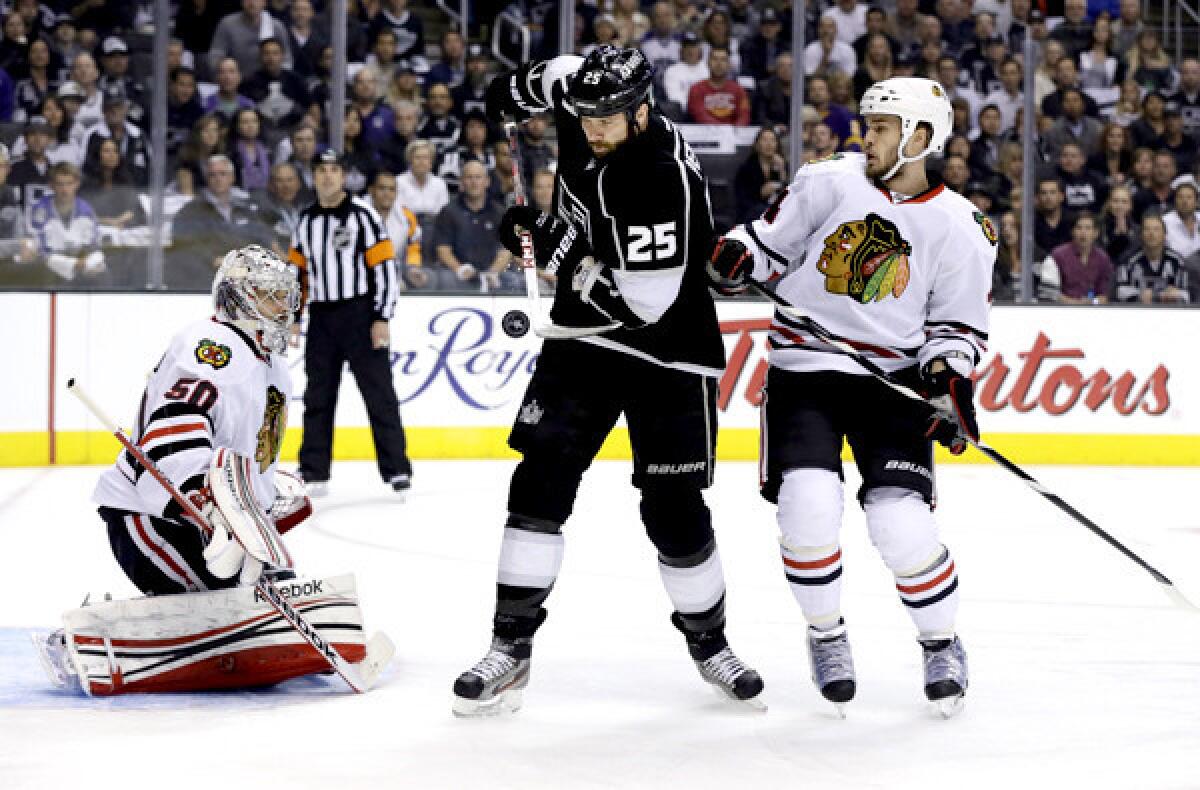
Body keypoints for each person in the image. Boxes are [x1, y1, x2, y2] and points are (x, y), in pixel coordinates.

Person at [452, 45, 764, 717]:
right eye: (586, 116)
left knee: (672, 510)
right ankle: (510, 647)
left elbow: (641, 306)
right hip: (583, 345)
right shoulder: (580, 95)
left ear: (642, 111)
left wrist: (551, 243)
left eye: (609, 119)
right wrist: (510, 96)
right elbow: (552, 75)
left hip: (667, 352)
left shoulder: (661, 176)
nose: (593, 128)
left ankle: (711, 643)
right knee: (539, 482)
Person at [709, 76, 992, 716]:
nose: (868, 136)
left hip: (891, 387)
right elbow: (765, 243)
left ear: (921, 137)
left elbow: (957, 328)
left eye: (883, 127)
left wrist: (948, 383)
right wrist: (735, 258)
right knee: (809, 508)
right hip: (804, 372)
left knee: (902, 525)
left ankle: (941, 641)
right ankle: (827, 633)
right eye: (868, 124)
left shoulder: (962, 227)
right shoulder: (828, 180)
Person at [34, 245, 369, 696]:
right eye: (270, 295)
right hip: (152, 519)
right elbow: (175, 424)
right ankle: (90, 638)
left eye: (286, 295)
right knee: (228, 599)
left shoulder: (270, 364)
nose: (285, 307)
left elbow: (247, 452)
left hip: (209, 524)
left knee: (272, 593)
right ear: (239, 297)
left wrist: (264, 502)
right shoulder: (214, 347)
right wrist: (209, 502)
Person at [288, 149, 413, 496]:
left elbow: (386, 267)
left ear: (344, 176)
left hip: (360, 316)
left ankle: (397, 471)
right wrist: (295, 317)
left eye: (334, 170)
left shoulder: (364, 215)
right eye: (321, 170)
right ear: (313, 176)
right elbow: (296, 272)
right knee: (317, 397)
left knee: (379, 395)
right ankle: (314, 471)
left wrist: (381, 316)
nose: (327, 177)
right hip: (322, 318)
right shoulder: (306, 220)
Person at [432, 159, 514, 292]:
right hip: (457, 273)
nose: (474, 182)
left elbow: (505, 250)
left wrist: (493, 272)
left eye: (478, 177)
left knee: (516, 282)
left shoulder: (500, 212)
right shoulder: (448, 211)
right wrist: (459, 269)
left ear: (487, 181)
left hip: (492, 273)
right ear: (462, 182)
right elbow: (443, 250)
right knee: (444, 280)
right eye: (469, 177)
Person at [28, 161, 105, 283]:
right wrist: (73, 264)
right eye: (60, 184)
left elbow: (95, 246)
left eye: (69, 184)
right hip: (48, 270)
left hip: (82, 269)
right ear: (51, 185)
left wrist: (87, 263)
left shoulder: (86, 210)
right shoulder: (40, 210)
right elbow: (38, 251)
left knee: (101, 273)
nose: (65, 189)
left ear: (77, 184)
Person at [367, 169, 430, 290]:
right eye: (382, 188)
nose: (387, 193)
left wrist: (413, 267)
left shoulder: (406, 216)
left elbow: (413, 247)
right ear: (371, 191)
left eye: (391, 189)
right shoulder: (356, 215)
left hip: (396, 278)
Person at [1041, 213, 1115, 303]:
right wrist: (1075, 303)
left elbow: (1104, 295)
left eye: (1088, 228)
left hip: (1093, 311)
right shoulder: (1057, 256)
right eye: (1079, 228)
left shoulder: (1103, 258)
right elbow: (1050, 293)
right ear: (1072, 231)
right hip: (1063, 310)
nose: (1083, 232)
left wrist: (1092, 302)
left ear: (1096, 233)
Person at [1115, 212, 1189, 303]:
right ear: (1141, 235)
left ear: (1165, 235)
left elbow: (1186, 294)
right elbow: (1120, 291)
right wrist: (1140, 295)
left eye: (1156, 229)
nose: (1151, 233)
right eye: (1147, 229)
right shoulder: (1127, 261)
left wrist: (1176, 294)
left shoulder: (1177, 261)